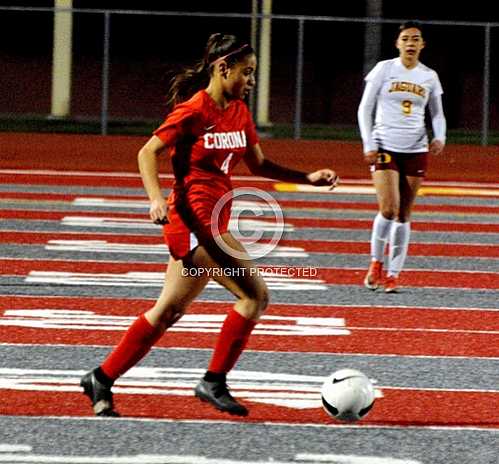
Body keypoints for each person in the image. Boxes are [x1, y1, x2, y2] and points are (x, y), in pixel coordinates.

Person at [80, 33, 338, 417]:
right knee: (255, 296)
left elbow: (259, 165)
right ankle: (213, 381)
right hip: (194, 223)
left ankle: (101, 377)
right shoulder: (194, 110)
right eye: (247, 72)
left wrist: (308, 178)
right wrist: (153, 198)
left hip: (214, 219)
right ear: (223, 68)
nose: (251, 81)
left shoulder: (239, 111)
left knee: (167, 311)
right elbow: (147, 152)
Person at [357, 21, 446, 293]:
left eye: (415, 39)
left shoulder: (429, 76)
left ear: (422, 45)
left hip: (416, 148)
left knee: (405, 214)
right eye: (405, 38)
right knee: (388, 208)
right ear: (397, 43)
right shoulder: (384, 69)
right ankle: (376, 262)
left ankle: (393, 274)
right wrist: (368, 143)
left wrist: (439, 136)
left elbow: (437, 112)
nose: (410, 43)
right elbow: (365, 108)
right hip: (385, 145)